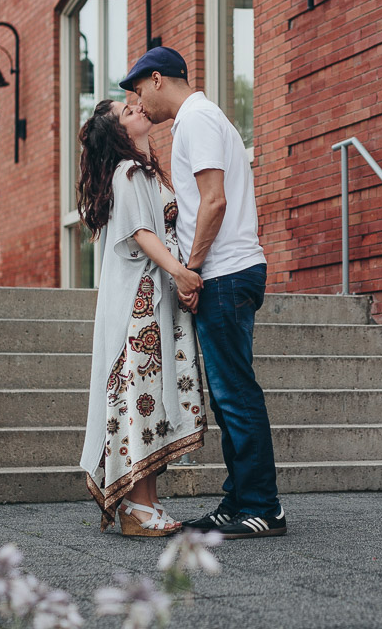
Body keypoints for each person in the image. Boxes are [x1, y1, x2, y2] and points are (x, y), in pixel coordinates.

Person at [119, 46, 286, 539]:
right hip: (228, 272)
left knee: (236, 394)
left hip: (226, 274)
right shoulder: (200, 119)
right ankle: (239, 500)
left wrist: (190, 271)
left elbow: (213, 201)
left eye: (136, 92)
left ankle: (263, 506)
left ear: (155, 79)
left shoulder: (196, 118)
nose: (138, 103)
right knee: (229, 395)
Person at [76, 96, 207, 537]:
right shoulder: (127, 172)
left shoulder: (144, 170)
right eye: (127, 112)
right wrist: (181, 274)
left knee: (148, 401)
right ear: (117, 133)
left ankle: (145, 500)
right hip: (142, 305)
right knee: (144, 398)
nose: (138, 109)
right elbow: (143, 234)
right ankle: (136, 504)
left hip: (155, 299)